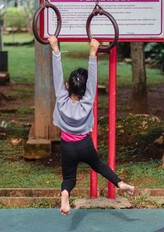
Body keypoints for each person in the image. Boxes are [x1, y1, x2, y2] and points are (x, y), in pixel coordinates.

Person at [48, 36, 135, 215]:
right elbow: (92, 79)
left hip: (67, 147)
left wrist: (55, 48)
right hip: (85, 145)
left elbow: (57, 75)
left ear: (67, 86)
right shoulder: (88, 102)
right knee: (100, 166)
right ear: (86, 90)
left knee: (70, 178)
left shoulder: (61, 98)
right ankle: (120, 183)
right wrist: (93, 53)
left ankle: (65, 194)